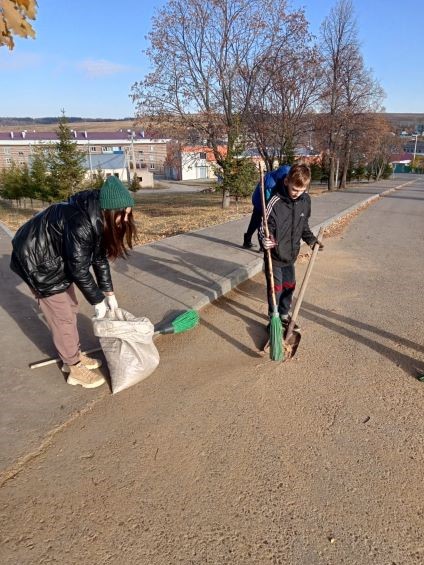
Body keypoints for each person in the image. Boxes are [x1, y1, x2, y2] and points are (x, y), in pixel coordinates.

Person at [10, 176, 137, 389]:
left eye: (127, 213)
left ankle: (73, 355)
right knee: (62, 315)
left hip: (55, 256)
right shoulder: (81, 223)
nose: (125, 219)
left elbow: (98, 258)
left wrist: (109, 293)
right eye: (122, 214)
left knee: (71, 307)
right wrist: (97, 301)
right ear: (109, 211)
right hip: (36, 262)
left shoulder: (98, 216)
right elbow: (79, 269)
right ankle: (74, 367)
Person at [259, 163, 323, 329]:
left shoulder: (305, 200)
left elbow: (303, 225)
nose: (297, 194)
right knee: (276, 289)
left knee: (289, 286)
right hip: (274, 255)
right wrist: (265, 240)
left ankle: (284, 314)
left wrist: (311, 240)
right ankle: (273, 318)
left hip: (291, 253)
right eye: (295, 189)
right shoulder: (275, 202)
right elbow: (263, 227)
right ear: (287, 181)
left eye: (302, 190)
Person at [242, 164, 291, 249]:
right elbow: (268, 201)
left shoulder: (280, 174)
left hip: (262, 198)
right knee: (262, 223)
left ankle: (247, 239)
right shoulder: (270, 184)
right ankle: (262, 246)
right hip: (260, 202)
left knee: (255, 221)